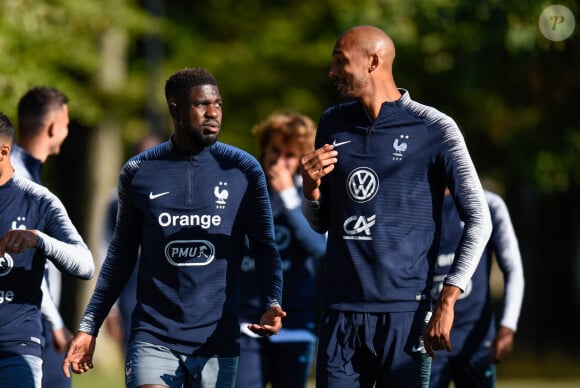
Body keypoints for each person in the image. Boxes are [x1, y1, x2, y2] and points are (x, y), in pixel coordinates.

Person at [63, 67, 286, 388]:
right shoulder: (140, 171)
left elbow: (265, 246)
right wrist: (89, 326)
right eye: (202, 105)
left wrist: (272, 302)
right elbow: (120, 256)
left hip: (216, 340)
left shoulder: (244, 169)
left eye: (218, 104)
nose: (213, 113)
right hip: (154, 335)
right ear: (175, 109)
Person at [299, 25, 493, 387]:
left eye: (340, 62)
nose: (332, 72)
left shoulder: (435, 127)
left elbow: (479, 218)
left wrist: (448, 298)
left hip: (407, 313)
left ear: (373, 61)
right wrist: (310, 190)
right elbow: (322, 222)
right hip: (340, 311)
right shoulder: (331, 123)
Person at [0, 112, 94, 388]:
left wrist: (39, 240)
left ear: (3, 151)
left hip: (16, 346)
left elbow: (85, 264)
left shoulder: (38, 201)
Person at [236, 112, 326, 388]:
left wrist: (289, 197)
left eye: (290, 155)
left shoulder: (309, 195)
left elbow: (318, 248)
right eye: (275, 150)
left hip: (295, 321)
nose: (279, 160)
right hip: (247, 320)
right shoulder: (244, 190)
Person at [10, 86, 74, 388]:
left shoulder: (27, 174)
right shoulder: (18, 181)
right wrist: (57, 323)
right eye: (67, 124)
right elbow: (22, 262)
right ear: (53, 127)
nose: (68, 130)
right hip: (28, 321)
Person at [429, 189, 524, 388]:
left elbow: (513, 269)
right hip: (429, 338)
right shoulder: (413, 202)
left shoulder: (489, 203)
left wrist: (508, 326)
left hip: (476, 339)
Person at [100, 134, 163, 351]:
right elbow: (107, 249)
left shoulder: (183, 197)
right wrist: (111, 307)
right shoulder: (117, 200)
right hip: (131, 284)